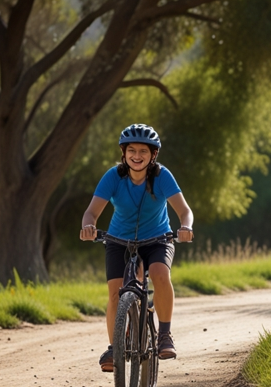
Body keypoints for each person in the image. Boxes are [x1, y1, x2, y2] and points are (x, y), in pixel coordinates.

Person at [79, 123, 193, 372]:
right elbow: (91, 212)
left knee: (161, 274)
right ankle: (114, 347)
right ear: (124, 152)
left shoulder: (162, 176)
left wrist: (185, 227)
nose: (137, 156)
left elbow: (184, 211)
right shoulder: (113, 177)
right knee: (115, 292)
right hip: (119, 241)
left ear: (153, 155)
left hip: (157, 240)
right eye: (132, 150)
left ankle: (164, 335)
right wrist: (88, 227)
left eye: (143, 151)